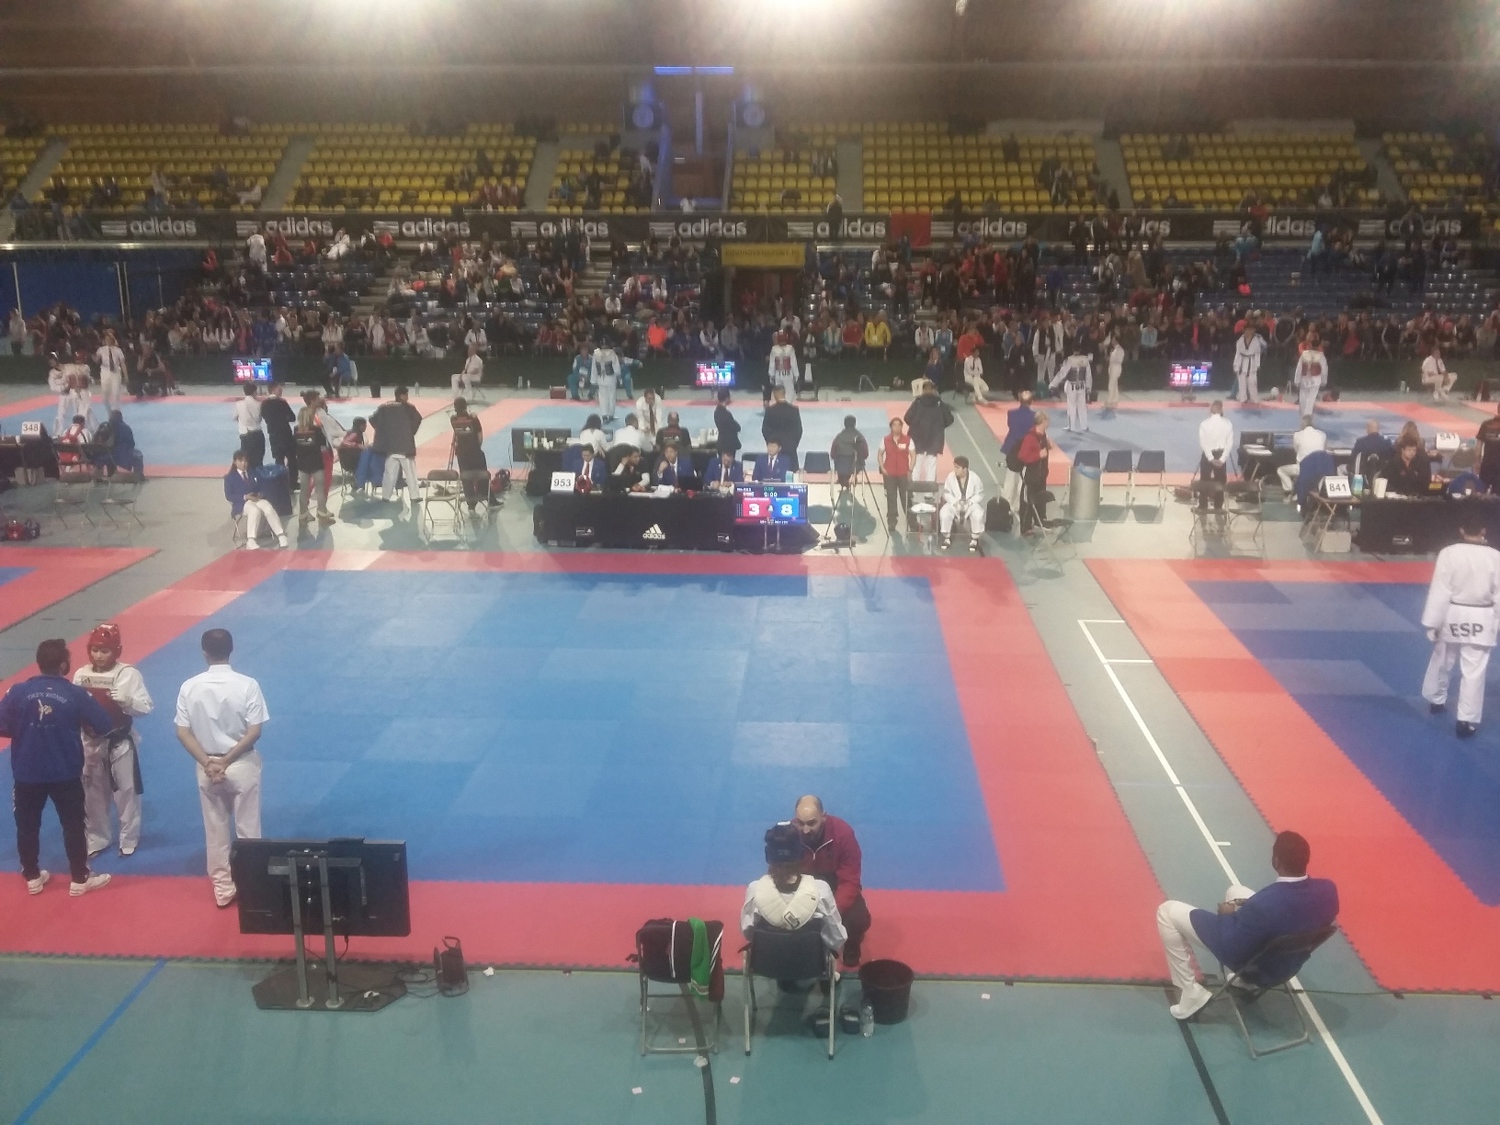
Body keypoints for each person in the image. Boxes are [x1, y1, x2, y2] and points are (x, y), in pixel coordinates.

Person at [1157, 831, 1339, 1020]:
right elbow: (1290, 909)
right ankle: (1244, 983)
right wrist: (1251, 907)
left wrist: (1227, 915)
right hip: (1288, 965)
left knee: (1166, 912)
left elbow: (1231, 947)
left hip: (1260, 969)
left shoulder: (1264, 905)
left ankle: (1190, 993)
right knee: (1235, 890)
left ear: (1276, 861)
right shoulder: (1328, 890)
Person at [0, 639, 115, 896]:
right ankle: (80, 877)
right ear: (64, 664)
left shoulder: (17, 691)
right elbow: (104, 725)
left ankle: (32, 876)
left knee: (27, 825)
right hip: (65, 772)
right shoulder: (75, 694)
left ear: (38, 662)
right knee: (73, 823)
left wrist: (24, 729)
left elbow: (1, 724)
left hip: (27, 772)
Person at [174, 628, 268, 908]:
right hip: (241, 764)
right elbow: (254, 731)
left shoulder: (189, 686)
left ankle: (223, 889)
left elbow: (182, 732)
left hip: (207, 766)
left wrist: (208, 763)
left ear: (204, 652)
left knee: (215, 830)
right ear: (232, 649)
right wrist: (226, 761)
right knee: (248, 828)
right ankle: (253, 886)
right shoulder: (247, 684)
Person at [71, 624, 153, 858]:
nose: (99, 655)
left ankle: (129, 838)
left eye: (104, 650)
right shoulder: (81, 674)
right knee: (93, 794)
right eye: (95, 650)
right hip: (90, 741)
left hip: (119, 741)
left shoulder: (128, 674)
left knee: (126, 791)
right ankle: (98, 837)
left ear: (116, 651)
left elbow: (146, 707)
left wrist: (128, 701)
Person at [1421, 513, 1500, 737]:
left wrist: (1432, 623)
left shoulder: (1449, 553)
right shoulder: (1495, 557)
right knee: (1474, 672)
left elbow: (1440, 590)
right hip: (1482, 617)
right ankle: (1466, 720)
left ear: (1462, 530)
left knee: (1443, 660)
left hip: (1452, 613)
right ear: (1483, 531)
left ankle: (1437, 700)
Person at [742, 823, 846, 954]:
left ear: (768, 855)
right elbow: (837, 939)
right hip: (811, 963)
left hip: (767, 962)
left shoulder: (755, 890)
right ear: (801, 854)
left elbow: (748, 933)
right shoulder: (821, 890)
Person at [792, 795, 870, 966]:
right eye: (800, 823)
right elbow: (782, 873)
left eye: (811, 823)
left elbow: (850, 880)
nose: (805, 830)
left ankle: (852, 944)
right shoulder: (788, 835)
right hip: (803, 884)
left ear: (824, 817)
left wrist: (832, 912)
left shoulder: (843, 834)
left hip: (836, 883)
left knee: (858, 919)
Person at [224, 450, 288, 548]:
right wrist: (245, 496)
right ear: (235, 462)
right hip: (242, 503)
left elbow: (262, 486)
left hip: (256, 499)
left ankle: (281, 535)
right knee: (254, 511)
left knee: (268, 508)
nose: (243, 463)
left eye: (245, 461)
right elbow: (229, 495)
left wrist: (260, 494)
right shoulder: (229, 478)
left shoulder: (253, 473)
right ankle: (251, 540)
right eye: (240, 461)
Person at [371, 385, 422, 505]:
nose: (407, 397)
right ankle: (414, 496)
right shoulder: (409, 408)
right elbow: (418, 419)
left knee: (389, 473)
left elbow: (373, 420)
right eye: (406, 395)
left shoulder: (384, 407)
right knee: (410, 473)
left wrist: (383, 432)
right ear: (402, 395)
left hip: (390, 447)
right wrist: (410, 432)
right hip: (405, 447)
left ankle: (385, 496)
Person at [293, 395, 334, 527]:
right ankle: (322, 515)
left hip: (302, 464)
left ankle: (303, 516)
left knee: (304, 490)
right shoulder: (316, 430)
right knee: (320, 490)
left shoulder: (296, 430)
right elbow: (322, 444)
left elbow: (294, 445)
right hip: (316, 463)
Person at [904, 380, 954, 483]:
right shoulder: (939, 404)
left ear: (922, 390)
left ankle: (914, 488)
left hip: (917, 438)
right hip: (934, 438)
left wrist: (915, 426)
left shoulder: (917, 403)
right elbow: (950, 419)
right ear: (933, 390)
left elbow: (907, 418)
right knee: (931, 465)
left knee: (916, 464)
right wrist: (940, 427)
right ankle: (929, 490)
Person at [449, 398, 491, 510]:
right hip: (475, 452)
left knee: (466, 478)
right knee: (482, 475)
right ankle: (489, 499)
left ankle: (471, 504)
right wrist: (477, 447)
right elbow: (480, 436)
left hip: (462, 454)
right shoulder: (473, 418)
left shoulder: (453, 419)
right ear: (466, 406)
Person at [939, 455, 986, 551]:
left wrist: (970, 502)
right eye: (954, 467)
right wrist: (955, 502)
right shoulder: (950, 477)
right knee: (944, 512)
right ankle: (946, 538)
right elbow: (946, 493)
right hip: (955, 504)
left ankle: (974, 539)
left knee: (978, 514)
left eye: (957, 468)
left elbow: (980, 493)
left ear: (965, 468)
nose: (955, 470)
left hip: (970, 505)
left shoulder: (975, 478)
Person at [1000, 391, 1036, 510]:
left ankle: (1006, 503)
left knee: (1010, 477)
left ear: (1019, 400)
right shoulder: (1034, 416)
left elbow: (1011, 426)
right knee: (1023, 478)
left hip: (1012, 448)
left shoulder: (1011, 413)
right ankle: (1019, 504)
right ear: (1031, 402)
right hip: (1026, 449)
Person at [1016, 411, 1052, 533]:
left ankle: (1040, 522)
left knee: (1041, 500)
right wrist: (1038, 455)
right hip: (1031, 475)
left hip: (1041, 475)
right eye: (1047, 420)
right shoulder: (1030, 438)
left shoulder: (1043, 435)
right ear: (1043, 421)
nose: (1049, 422)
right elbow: (1022, 456)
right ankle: (1025, 527)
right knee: (1028, 502)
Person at [1197, 400, 1234, 514]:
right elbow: (1229, 443)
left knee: (1204, 480)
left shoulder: (1204, 424)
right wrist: (1222, 459)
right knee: (1220, 481)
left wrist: (1210, 458)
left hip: (1208, 454)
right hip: (1221, 453)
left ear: (1211, 410)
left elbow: (1203, 443)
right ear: (1222, 410)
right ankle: (1218, 506)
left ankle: (1203, 505)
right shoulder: (1228, 423)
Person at [1276, 415, 1327, 496]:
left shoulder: (1297, 435)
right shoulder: (1322, 434)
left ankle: (1289, 491)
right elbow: (1324, 450)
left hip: (1303, 468)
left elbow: (1296, 450)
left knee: (1281, 470)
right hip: (1319, 468)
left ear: (1303, 423)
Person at [879, 417, 914, 528]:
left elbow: (913, 455)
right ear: (891, 427)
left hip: (903, 474)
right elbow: (880, 454)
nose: (897, 427)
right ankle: (892, 522)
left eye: (899, 425)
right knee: (891, 498)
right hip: (889, 474)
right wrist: (882, 468)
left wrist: (910, 469)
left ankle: (912, 522)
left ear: (902, 427)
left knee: (906, 498)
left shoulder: (908, 440)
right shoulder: (885, 440)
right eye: (894, 425)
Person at [260, 382, 297, 479]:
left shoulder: (264, 404)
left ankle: (281, 481)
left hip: (274, 435)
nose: (281, 391)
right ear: (273, 390)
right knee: (292, 459)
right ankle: (293, 481)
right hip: (286, 434)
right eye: (279, 389)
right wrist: (283, 418)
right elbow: (292, 417)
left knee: (279, 460)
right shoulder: (282, 402)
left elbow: (264, 417)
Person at [1051, 349, 1093, 432]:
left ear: (1073, 350)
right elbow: (1088, 375)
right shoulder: (1085, 360)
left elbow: (1062, 374)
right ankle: (1084, 426)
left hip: (1071, 386)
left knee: (1071, 406)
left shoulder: (1070, 360)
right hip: (1082, 385)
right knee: (1082, 407)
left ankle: (1072, 426)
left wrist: (1053, 384)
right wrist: (1089, 387)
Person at [762, 386, 803, 469]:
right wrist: (794, 444)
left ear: (774, 395)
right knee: (792, 472)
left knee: (774, 473)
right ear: (784, 394)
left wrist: (771, 444)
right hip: (790, 448)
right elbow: (799, 430)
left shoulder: (770, 410)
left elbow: (764, 430)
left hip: (775, 448)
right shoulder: (794, 410)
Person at [1292, 332, 1328, 418]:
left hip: (1304, 379)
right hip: (1316, 380)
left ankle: (1304, 416)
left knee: (1303, 398)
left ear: (1310, 345)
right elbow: (1324, 369)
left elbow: (1299, 368)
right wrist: (1324, 381)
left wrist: (1297, 380)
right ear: (1318, 346)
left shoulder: (1304, 354)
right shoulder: (1321, 356)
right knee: (1311, 398)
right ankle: (1307, 416)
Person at [829, 415, 869, 486]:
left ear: (844, 424)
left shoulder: (838, 437)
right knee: (852, 467)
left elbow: (833, 454)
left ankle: (843, 480)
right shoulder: (860, 437)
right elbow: (865, 454)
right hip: (856, 466)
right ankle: (851, 477)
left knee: (843, 468)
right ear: (855, 424)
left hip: (840, 465)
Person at [96, 328, 127, 414]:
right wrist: (94, 357)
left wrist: (126, 375)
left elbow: (122, 363)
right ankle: (109, 412)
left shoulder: (118, 350)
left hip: (116, 372)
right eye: (106, 339)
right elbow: (96, 360)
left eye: (109, 339)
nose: (108, 341)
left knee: (116, 393)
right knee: (105, 394)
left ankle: (116, 412)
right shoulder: (101, 350)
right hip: (105, 371)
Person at [234, 382, 265, 468]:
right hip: (257, 433)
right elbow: (260, 418)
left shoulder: (239, 404)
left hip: (245, 434)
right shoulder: (259, 404)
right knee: (258, 460)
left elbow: (235, 417)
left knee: (245, 460)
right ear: (255, 392)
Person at [591, 337, 622, 422]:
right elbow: (616, 367)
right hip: (610, 378)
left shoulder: (595, 353)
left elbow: (594, 368)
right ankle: (611, 415)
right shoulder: (612, 353)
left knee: (602, 397)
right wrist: (619, 377)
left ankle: (604, 415)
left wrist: (593, 380)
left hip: (600, 378)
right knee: (611, 396)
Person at [1233, 323, 1266, 405]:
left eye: (1251, 330)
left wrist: (1257, 364)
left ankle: (1254, 399)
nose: (1249, 331)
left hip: (1252, 362)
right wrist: (1235, 364)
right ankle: (1243, 399)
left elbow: (1258, 353)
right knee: (1242, 382)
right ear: (1244, 330)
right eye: (1247, 330)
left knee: (1252, 382)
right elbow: (1237, 353)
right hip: (1241, 363)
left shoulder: (1256, 340)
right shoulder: (1240, 340)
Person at [768, 330, 799, 402]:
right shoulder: (790, 348)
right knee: (789, 391)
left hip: (778, 374)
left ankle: (780, 405)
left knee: (779, 391)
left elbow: (772, 364)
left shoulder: (774, 349)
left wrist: (771, 375)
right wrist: (796, 374)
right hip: (787, 374)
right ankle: (788, 405)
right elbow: (793, 363)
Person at [713, 388, 741, 458]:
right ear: (726, 398)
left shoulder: (716, 412)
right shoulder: (726, 414)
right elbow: (736, 427)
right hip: (728, 445)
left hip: (721, 443)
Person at [48, 353, 71, 435]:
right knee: (61, 414)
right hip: (64, 394)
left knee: (83, 410)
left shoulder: (66, 367)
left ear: (56, 359)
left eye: (52, 360)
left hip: (74, 392)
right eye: (50, 362)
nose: (51, 362)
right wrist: (63, 388)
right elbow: (53, 387)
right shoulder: (52, 373)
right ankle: (58, 432)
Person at [1104, 333, 1125, 410]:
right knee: (1114, 384)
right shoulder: (1114, 349)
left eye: (1113, 339)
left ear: (1116, 341)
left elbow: (1119, 360)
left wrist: (1111, 359)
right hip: (1112, 367)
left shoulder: (1120, 350)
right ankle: (1115, 400)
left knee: (1111, 384)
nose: (1112, 341)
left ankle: (1110, 401)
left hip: (1116, 368)